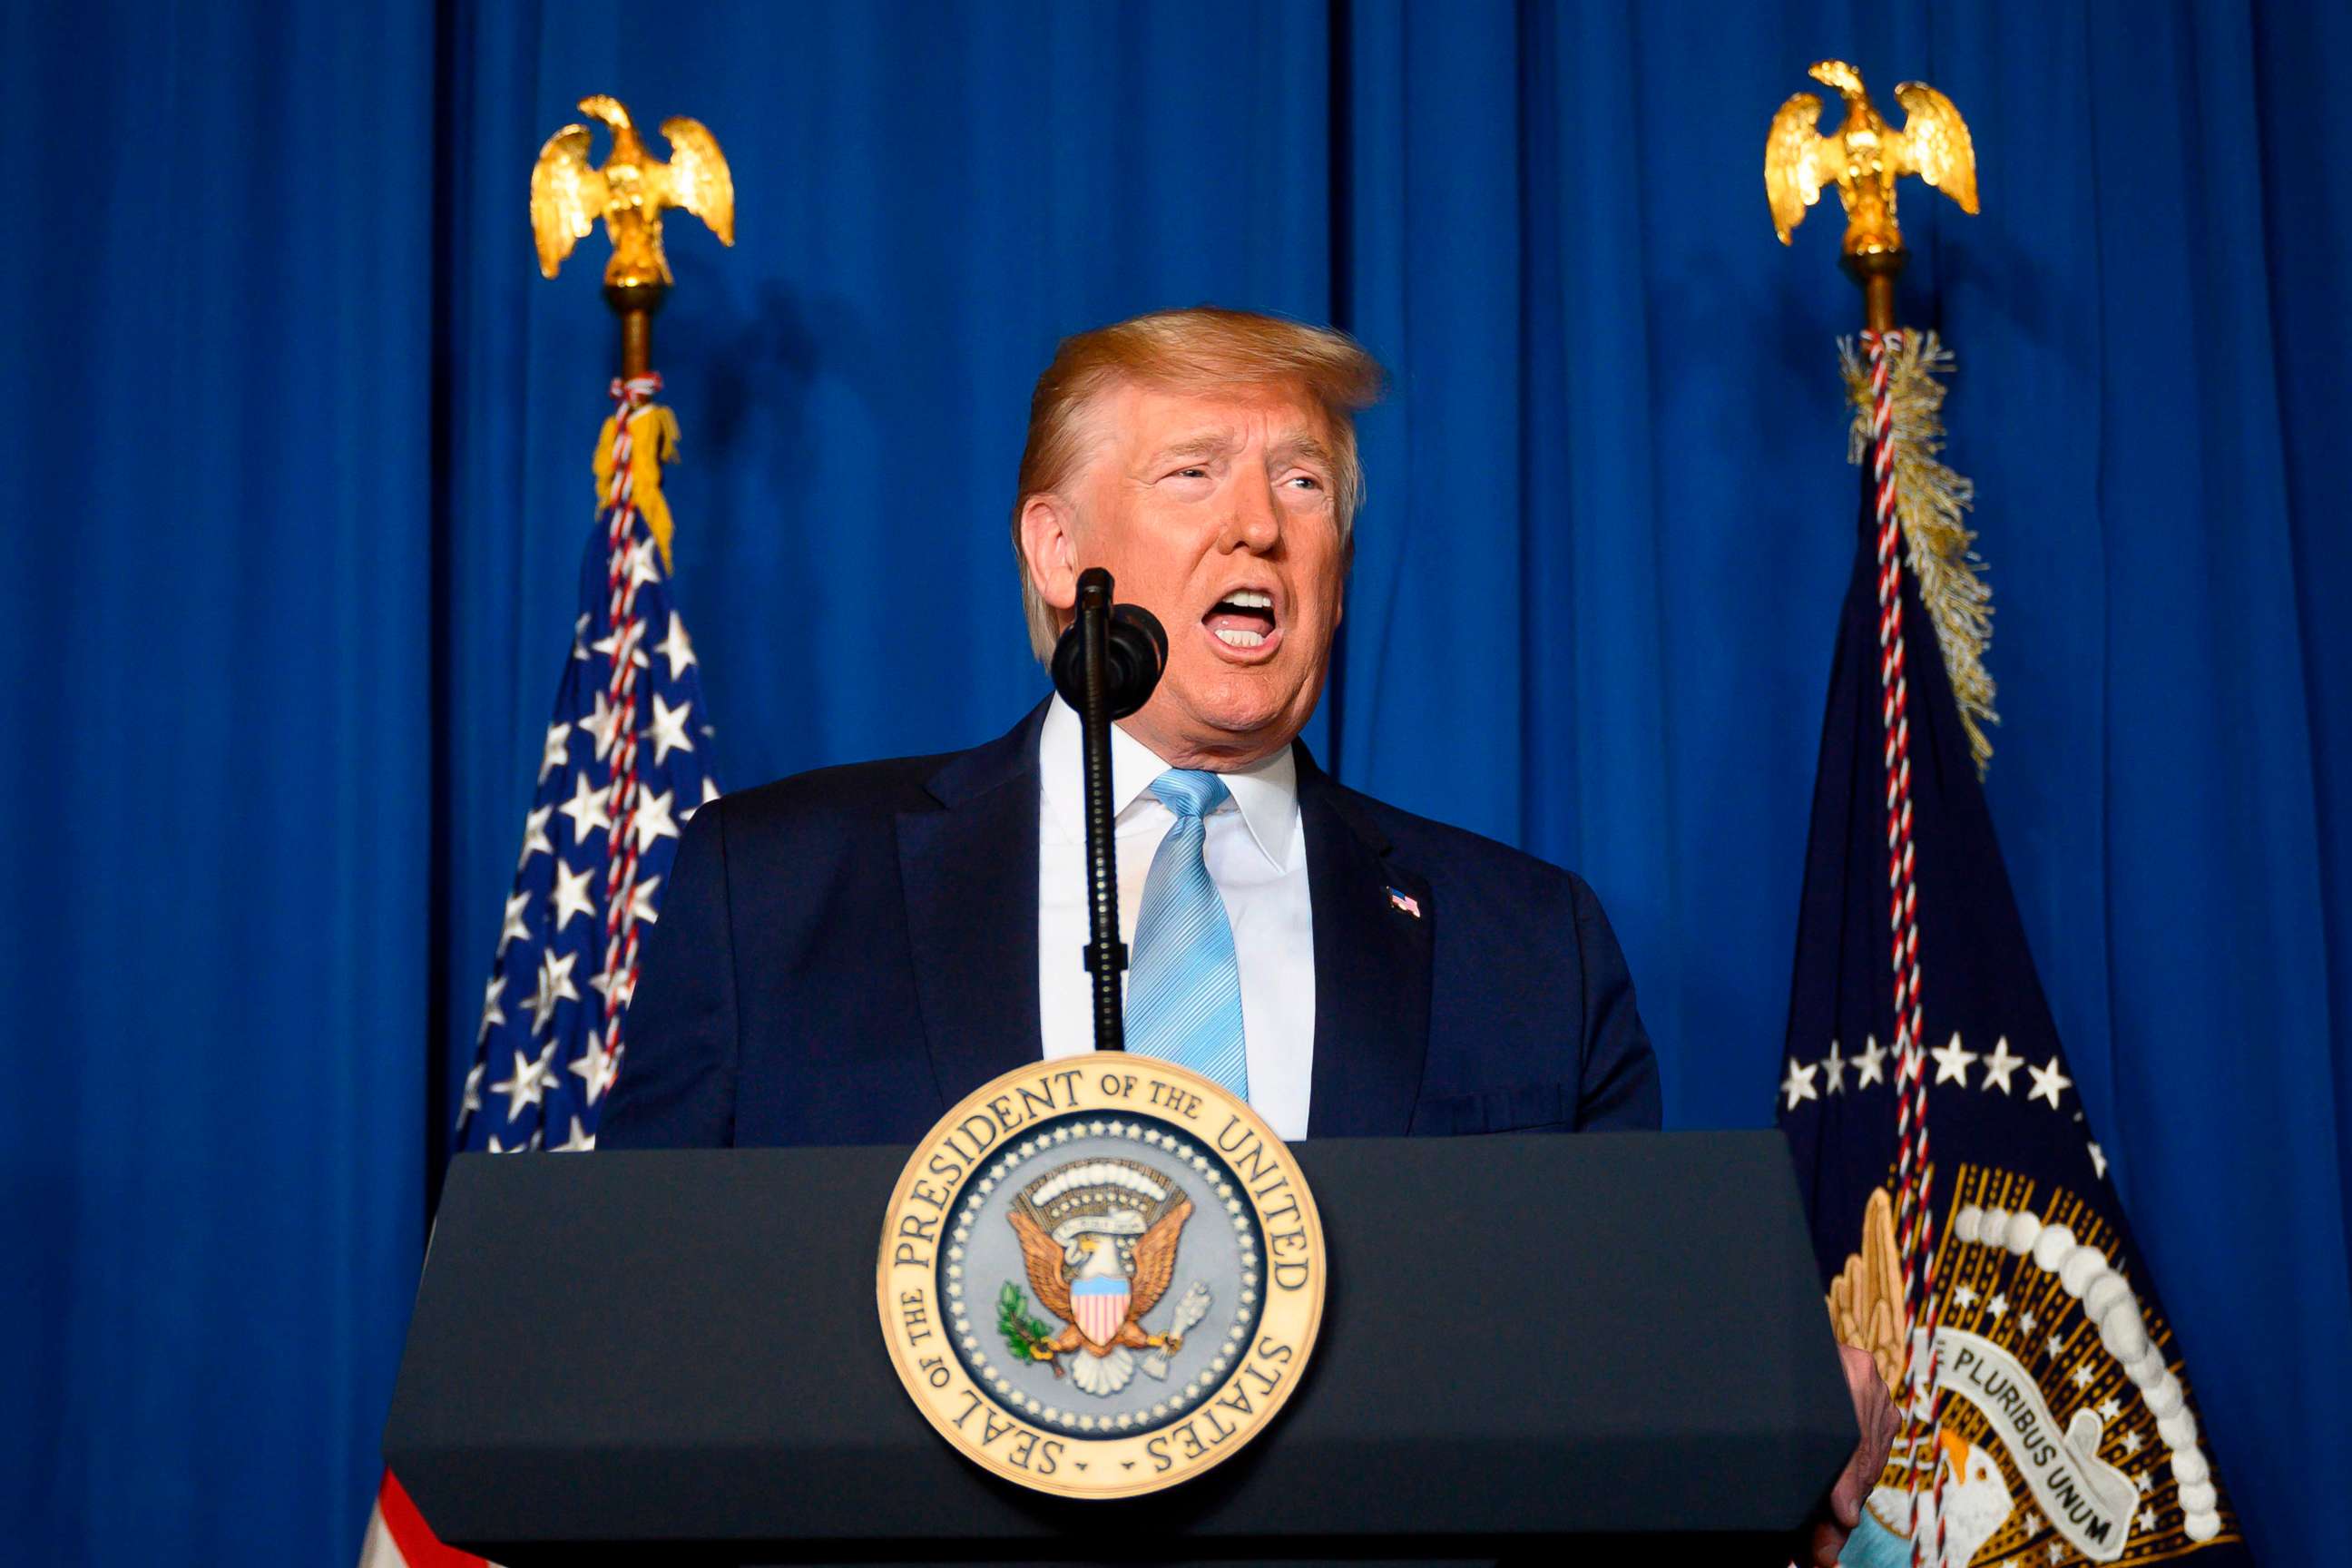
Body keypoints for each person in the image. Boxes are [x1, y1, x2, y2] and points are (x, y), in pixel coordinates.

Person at [601, 306, 1894, 1563]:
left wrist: (1767, 1460)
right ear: (1058, 553)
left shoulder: (1526, 947)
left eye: (1305, 484)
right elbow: (646, 1339)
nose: (1261, 526)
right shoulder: (771, 892)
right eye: (1193, 473)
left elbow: (1614, 1391)